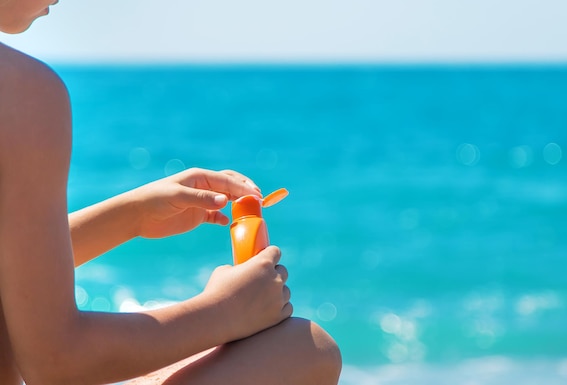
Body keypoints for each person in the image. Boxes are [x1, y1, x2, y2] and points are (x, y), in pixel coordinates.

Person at [0, 1, 342, 384]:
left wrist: (133, 216)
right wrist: (223, 312)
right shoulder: (21, 91)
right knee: (305, 348)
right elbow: (56, 362)